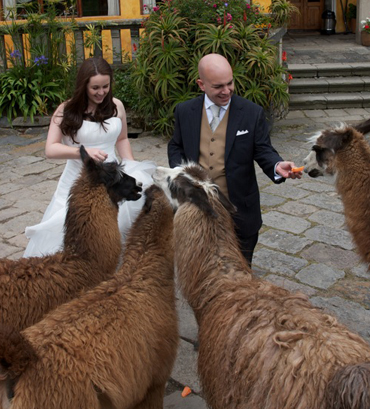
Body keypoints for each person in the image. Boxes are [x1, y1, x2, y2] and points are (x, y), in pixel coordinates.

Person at [168, 53, 302, 266]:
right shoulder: (185, 111)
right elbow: (176, 145)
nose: (227, 90)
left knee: (240, 274)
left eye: (230, 83)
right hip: (196, 209)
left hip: (239, 210)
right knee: (201, 271)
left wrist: (277, 165)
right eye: (218, 86)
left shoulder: (251, 112)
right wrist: (180, 174)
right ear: (201, 84)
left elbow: (263, 150)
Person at [23, 57, 155, 257]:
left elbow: (122, 139)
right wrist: (83, 152)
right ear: (83, 85)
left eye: (106, 86)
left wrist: (131, 164)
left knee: (119, 231)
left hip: (114, 179)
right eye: (95, 88)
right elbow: (51, 149)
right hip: (79, 179)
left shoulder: (116, 106)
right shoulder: (66, 110)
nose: (101, 92)